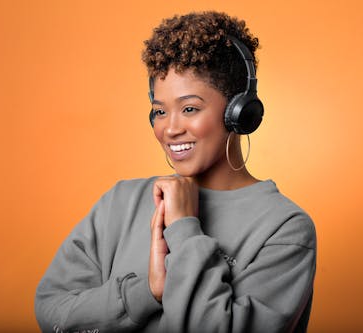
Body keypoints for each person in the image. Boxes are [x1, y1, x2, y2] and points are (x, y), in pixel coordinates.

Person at [35, 11, 316, 333]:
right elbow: (52, 311)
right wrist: (147, 292)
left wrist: (185, 228)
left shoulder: (284, 227)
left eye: (189, 109)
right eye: (159, 111)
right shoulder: (120, 201)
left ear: (239, 112)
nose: (170, 129)